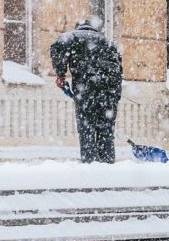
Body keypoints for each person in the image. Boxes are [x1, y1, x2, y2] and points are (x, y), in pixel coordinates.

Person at [49, 17, 124, 163]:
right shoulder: (109, 43)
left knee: (87, 129)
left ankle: (90, 165)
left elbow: (56, 47)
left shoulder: (74, 36)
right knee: (106, 131)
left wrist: (60, 74)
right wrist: (115, 97)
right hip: (109, 93)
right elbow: (119, 71)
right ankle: (108, 167)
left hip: (86, 90)